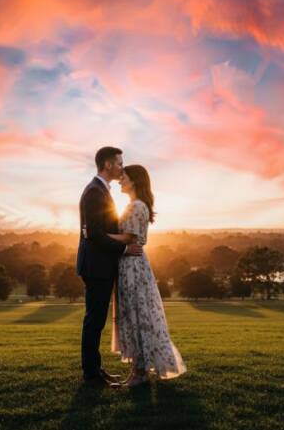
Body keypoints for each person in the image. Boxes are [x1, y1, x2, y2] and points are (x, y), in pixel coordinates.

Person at [108, 164, 186, 387]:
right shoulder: (134, 205)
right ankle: (138, 369)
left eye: (124, 177)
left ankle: (140, 372)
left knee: (138, 315)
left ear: (135, 181)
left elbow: (128, 237)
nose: (120, 180)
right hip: (129, 264)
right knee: (133, 315)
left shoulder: (137, 206)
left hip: (133, 267)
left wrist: (98, 236)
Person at [76, 146, 142, 388]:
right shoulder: (94, 192)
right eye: (119, 163)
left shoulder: (100, 191)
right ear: (106, 164)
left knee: (96, 320)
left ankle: (95, 370)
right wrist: (125, 249)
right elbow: (94, 234)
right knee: (94, 320)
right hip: (96, 266)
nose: (122, 167)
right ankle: (91, 374)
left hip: (100, 265)